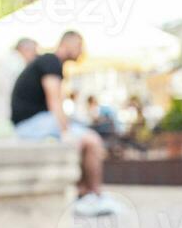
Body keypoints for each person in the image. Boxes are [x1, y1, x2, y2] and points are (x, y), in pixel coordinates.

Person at [11, 31, 116, 216]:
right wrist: (65, 131)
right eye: (80, 46)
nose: (82, 52)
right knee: (91, 141)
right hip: (32, 124)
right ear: (69, 43)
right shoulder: (51, 62)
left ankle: (84, 193)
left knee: (84, 138)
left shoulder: (46, 61)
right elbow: (54, 101)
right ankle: (92, 195)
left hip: (33, 123)